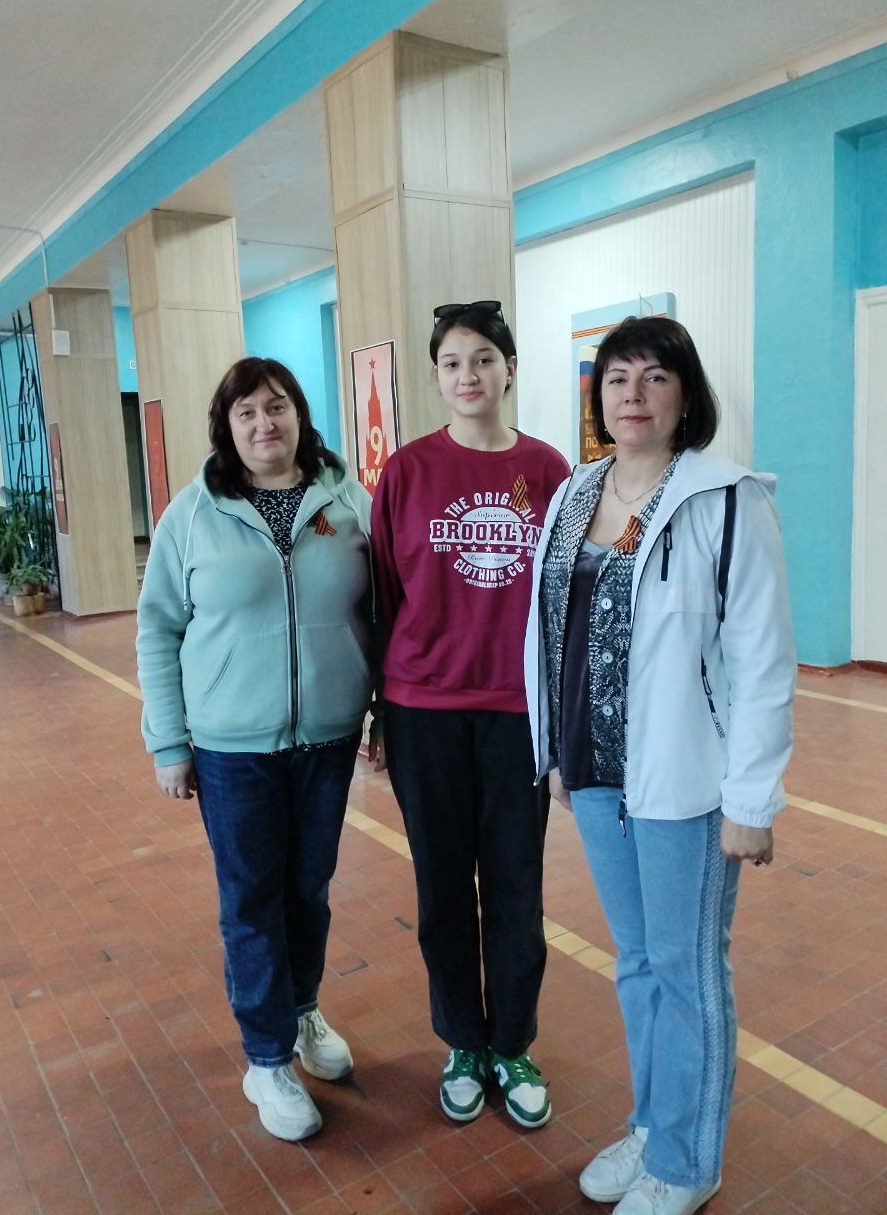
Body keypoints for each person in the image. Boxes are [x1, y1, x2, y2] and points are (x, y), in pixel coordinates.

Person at [525, 316, 796, 1215]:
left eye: (654, 378)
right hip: (598, 771)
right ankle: (653, 1125)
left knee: (687, 971)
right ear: (597, 397)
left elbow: (763, 660)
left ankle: (687, 1162)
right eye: (616, 379)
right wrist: (555, 751)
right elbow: (551, 633)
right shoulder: (575, 493)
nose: (632, 396)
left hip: (686, 780)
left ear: (686, 397)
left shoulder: (727, 499)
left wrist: (751, 799)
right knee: (637, 963)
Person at [136, 357, 378, 1143]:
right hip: (230, 748)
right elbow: (157, 629)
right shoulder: (192, 514)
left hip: (328, 739)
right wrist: (168, 742)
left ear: (300, 415)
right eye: (246, 413)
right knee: (250, 899)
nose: (264, 424)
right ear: (227, 428)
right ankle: (266, 1059)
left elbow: (382, 610)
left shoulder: (347, 503)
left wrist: (380, 709)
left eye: (276, 407)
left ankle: (302, 1011)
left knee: (308, 889)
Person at [371, 300, 570, 1129]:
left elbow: (564, 599)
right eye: (452, 362)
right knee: (443, 885)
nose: (468, 375)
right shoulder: (407, 472)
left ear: (509, 369)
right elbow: (382, 595)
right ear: (435, 376)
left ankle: (512, 1043)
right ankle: (462, 1040)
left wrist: (565, 722)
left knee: (517, 886)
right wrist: (379, 712)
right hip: (423, 710)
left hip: (517, 715)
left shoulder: (549, 470)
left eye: (484, 358)